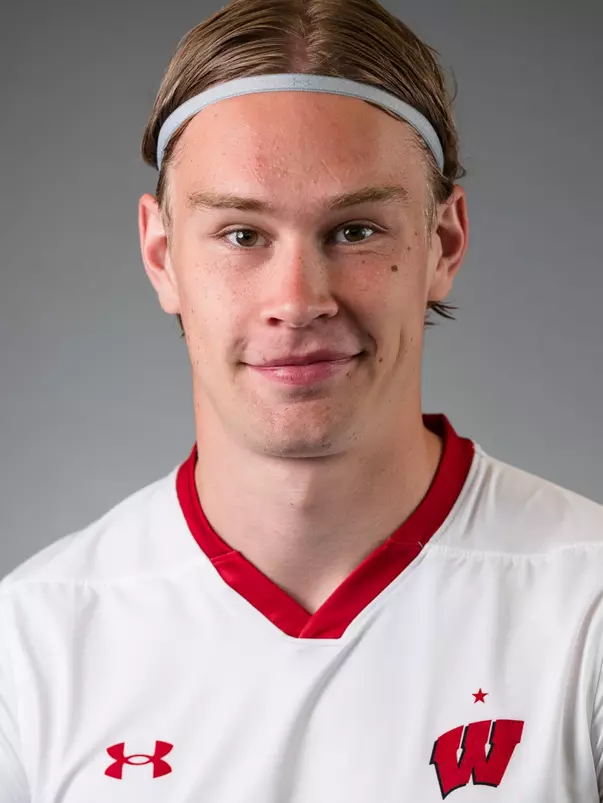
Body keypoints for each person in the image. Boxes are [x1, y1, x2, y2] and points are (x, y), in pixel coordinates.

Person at [1, 0, 602, 800]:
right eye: (241, 235)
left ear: (443, 244)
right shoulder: (33, 640)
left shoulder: (584, 607)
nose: (297, 298)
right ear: (161, 255)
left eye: (354, 230)